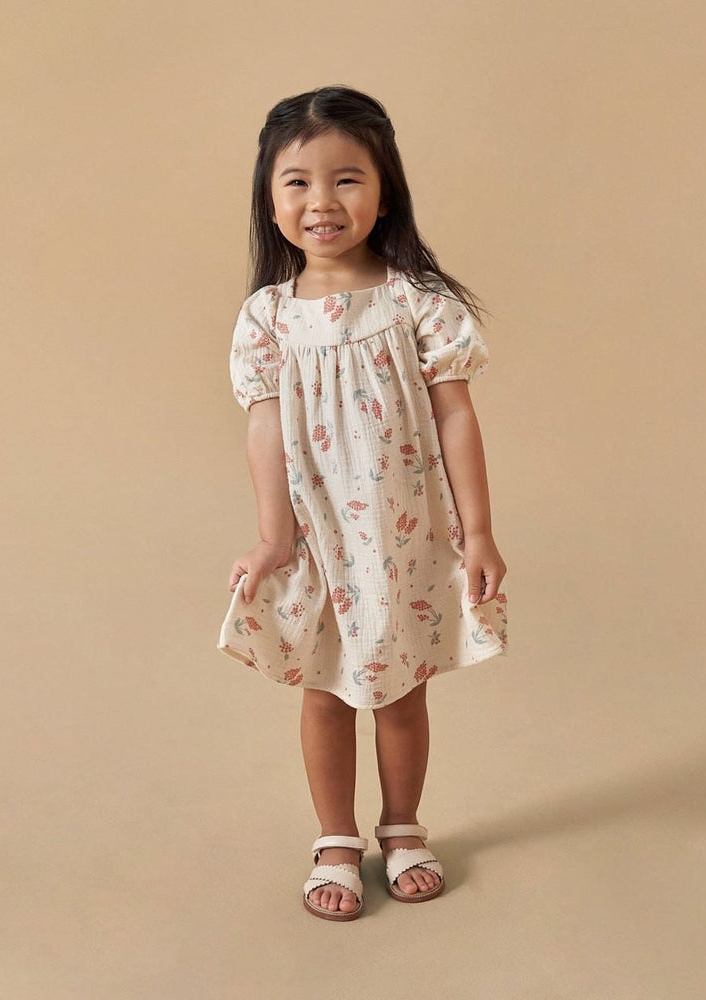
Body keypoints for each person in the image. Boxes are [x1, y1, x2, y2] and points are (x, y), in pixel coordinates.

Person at [217, 85, 508, 921]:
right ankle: (336, 839)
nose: (322, 201)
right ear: (270, 201)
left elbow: (456, 417)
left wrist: (480, 533)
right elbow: (265, 429)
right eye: (297, 182)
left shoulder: (418, 303)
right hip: (319, 535)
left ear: (385, 193)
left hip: (403, 534)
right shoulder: (268, 319)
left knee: (403, 689)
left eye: (347, 179)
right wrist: (273, 538)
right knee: (326, 690)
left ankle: (404, 827)